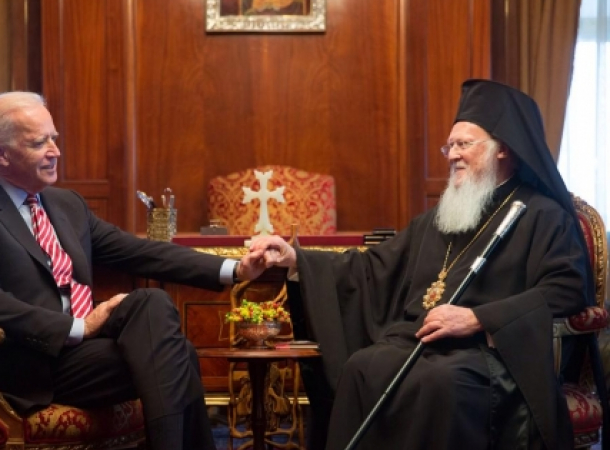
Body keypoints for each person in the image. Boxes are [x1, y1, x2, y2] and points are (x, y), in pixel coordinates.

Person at [242, 79, 598, 450]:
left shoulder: (544, 215)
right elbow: (373, 268)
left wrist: (478, 318)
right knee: (363, 368)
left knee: (438, 383)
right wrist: (296, 259)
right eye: (450, 145)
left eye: (463, 144)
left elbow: (566, 289)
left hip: (492, 353)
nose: (451, 154)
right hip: (423, 341)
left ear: (503, 150)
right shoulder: (441, 218)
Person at [0, 91, 264, 450]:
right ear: (0, 153)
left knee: (151, 304)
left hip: (80, 357)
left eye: (54, 138)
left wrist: (236, 268)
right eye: (39, 142)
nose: (55, 150)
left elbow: (138, 252)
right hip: (20, 362)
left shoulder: (66, 204)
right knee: (178, 355)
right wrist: (80, 327)